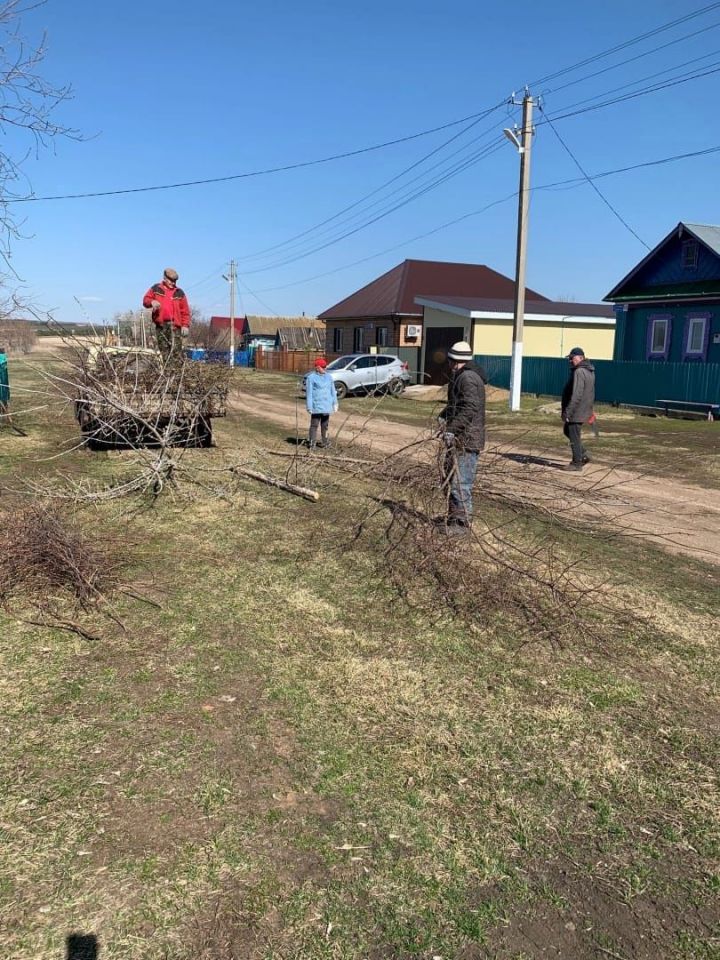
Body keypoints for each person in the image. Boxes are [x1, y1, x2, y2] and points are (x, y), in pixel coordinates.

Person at [438, 341, 488, 533]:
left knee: (461, 482)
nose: (448, 364)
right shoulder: (462, 376)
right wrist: (444, 415)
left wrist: (452, 429)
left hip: (467, 439)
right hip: (460, 437)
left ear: (455, 360)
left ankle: (462, 524)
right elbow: (458, 405)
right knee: (451, 478)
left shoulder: (467, 378)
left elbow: (469, 408)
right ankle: (453, 518)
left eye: (450, 360)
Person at [142, 267, 191, 358]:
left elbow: (185, 311)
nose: (173, 283)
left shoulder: (179, 293)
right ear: (164, 278)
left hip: (175, 327)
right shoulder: (156, 288)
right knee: (164, 352)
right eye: (171, 280)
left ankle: (176, 371)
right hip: (161, 326)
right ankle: (165, 371)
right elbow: (145, 300)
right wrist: (152, 302)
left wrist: (185, 325)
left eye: (175, 281)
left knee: (176, 352)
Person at [560, 346, 595, 471]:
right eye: (569, 358)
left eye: (572, 358)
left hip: (577, 410)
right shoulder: (589, 371)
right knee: (568, 431)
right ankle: (583, 454)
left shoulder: (579, 371)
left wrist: (568, 411)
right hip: (583, 409)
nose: (570, 360)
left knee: (573, 434)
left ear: (581, 358)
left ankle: (577, 463)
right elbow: (591, 393)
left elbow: (577, 393)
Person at [305, 357, 338, 449]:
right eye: (322, 367)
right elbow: (309, 393)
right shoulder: (311, 378)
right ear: (317, 367)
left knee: (325, 425)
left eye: (325, 367)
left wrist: (335, 403)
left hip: (327, 406)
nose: (325, 368)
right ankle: (312, 443)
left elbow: (332, 391)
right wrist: (309, 406)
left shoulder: (329, 377)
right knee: (314, 425)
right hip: (316, 406)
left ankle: (325, 442)